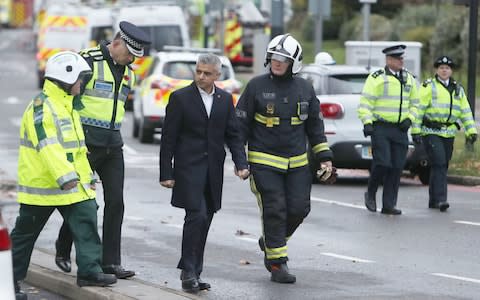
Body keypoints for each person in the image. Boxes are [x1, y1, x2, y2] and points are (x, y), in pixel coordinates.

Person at [11, 51, 117, 300]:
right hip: (43, 187)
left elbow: (77, 150)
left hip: (72, 185)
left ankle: (90, 271)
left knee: (87, 218)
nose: (82, 85)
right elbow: (48, 146)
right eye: (80, 80)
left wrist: (87, 178)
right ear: (66, 79)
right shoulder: (41, 107)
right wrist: (65, 176)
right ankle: (7, 280)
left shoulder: (68, 106)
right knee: (24, 236)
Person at [235, 34, 336, 284]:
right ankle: (278, 264)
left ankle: (270, 240)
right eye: (274, 58)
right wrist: (240, 162)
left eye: (283, 59)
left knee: (300, 209)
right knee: (275, 209)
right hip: (264, 162)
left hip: (298, 163)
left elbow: (315, 125)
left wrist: (324, 158)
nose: (277, 62)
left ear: (295, 62)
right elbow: (239, 128)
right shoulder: (256, 86)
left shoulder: (305, 88)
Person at [54, 21, 151, 279]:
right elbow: (68, 102)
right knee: (82, 202)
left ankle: (110, 262)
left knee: (116, 202)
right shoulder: (88, 61)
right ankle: (63, 248)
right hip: (85, 144)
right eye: (129, 54)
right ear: (117, 43)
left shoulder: (128, 71)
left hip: (113, 145)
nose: (131, 59)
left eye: (134, 56)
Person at [159, 53, 249, 293]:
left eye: (207, 73)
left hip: (213, 172)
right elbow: (168, 139)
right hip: (188, 168)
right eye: (198, 71)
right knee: (196, 215)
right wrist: (166, 172)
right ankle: (188, 271)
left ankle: (195, 271)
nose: (201, 76)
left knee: (206, 218)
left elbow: (233, 136)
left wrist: (241, 163)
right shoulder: (180, 98)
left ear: (217, 75)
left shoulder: (224, 99)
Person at [358, 44, 419, 215]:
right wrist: (367, 122)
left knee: (397, 167)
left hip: (400, 129)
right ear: (389, 60)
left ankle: (389, 205)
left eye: (402, 58)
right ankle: (370, 192)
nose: (401, 61)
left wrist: (410, 119)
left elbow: (416, 103)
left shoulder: (409, 78)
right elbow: (366, 103)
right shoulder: (377, 77)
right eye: (398, 58)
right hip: (381, 128)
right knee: (383, 162)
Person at [411, 55, 477, 211]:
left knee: (441, 165)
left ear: (451, 70)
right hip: (431, 131)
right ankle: (441, 200)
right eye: (441, 68)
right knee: (439, 162)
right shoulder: (429, 86)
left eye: (447, 68)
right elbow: (419, 109)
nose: (444, 70)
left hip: (449, 133)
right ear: (437, 70)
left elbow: (465, 111)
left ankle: (433, 200)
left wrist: (471, 131)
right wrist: (416, 131)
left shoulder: (458, 89)